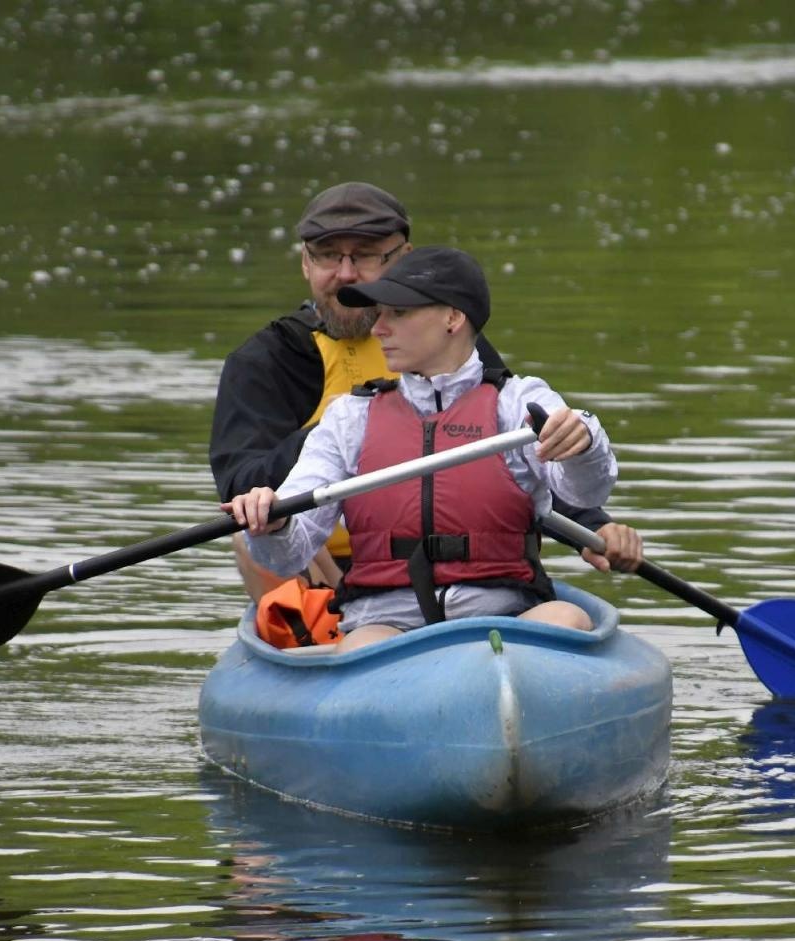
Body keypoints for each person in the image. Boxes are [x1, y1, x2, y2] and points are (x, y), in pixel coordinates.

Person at [208, 181, 642, 600]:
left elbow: (509, 457)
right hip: (323, 561)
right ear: (305, 263)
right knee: (252, 533)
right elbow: (242, 487)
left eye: (364, 256)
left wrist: (592, 526)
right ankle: (318, 640)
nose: (345, 274)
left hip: (466, 564)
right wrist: (359, 433)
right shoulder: (268, 359)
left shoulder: (451, 345)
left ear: (403, 260)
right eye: (326, 257)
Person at [224, 246, 618, 652]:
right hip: (386, 624)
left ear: (453, 317)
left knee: (567, 618)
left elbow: (585, 492)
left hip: (505, 615)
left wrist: (583, 444)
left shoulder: (517, 402)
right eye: (379, 313)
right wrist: (275, 525)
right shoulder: (350, 419)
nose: (378, 329)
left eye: (398, 313)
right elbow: (286, 555)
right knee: (359, 649)